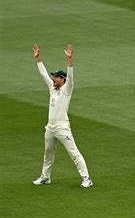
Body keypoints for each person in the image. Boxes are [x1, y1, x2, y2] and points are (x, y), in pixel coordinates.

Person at [32, 44, 93, 188]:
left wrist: (70, 60)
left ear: (62, 79)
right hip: (50, 128)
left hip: (62, 128)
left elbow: (71, 76)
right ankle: (45, 177)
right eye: (53, 77)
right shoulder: (52, 89)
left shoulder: (67, 89)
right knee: (48, 153)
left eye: (56, 77)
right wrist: (38, 58)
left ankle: (86, 178)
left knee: (73, 153)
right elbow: (43, 74)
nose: (53, 79)